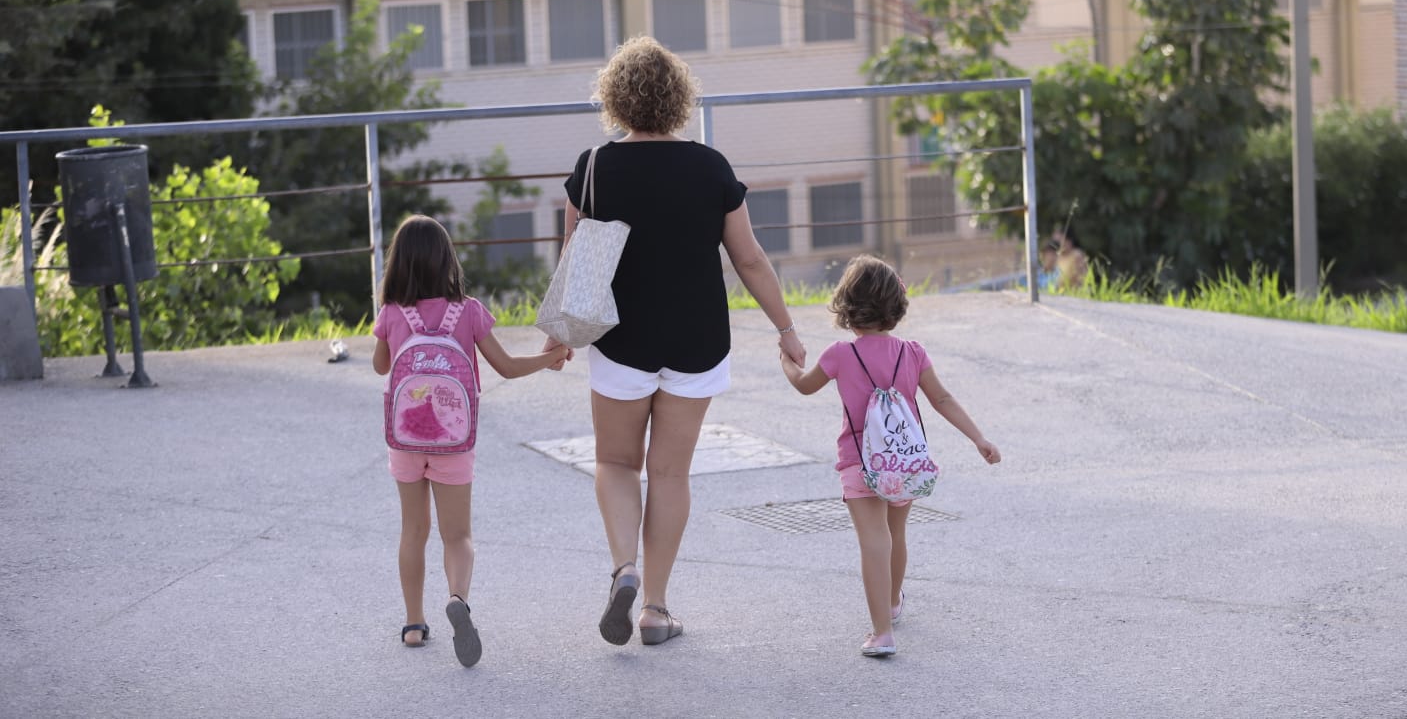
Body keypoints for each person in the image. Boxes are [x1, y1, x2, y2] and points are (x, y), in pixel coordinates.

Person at [549, 36, 804, 647]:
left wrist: (561, 337)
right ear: (679, 98)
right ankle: (656, 609)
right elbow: (749, 259)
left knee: (615, 463)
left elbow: (573, 261)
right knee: (669, 473)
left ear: (615, 98)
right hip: (697, 341)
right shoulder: (711, 167)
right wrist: (787, 330)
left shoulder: (594, 167)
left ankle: (624, 568)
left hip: (620, 338)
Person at [372, 214, 572, 666]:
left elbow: (382, 367)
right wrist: (553, 356)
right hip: (454, 441)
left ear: (398, 264)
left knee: (413, 530)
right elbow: (507, 368)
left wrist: (392, 332)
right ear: (447, 260)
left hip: (405, 441)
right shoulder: (468, 311)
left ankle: (413, 624)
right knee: (457, 534)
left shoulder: (392, 314)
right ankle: (457, 598)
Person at [779, 254, 1000, 658]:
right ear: (896, 306)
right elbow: (942, 398)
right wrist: (978, 438)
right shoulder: (912, 352)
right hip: (904, 461)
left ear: (848, 306)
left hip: (859, 462)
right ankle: (893, 602)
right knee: (895, 534)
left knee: (873, 541)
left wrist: (787, 362)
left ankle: (882, 633)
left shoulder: (839, 354)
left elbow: (804, 386)